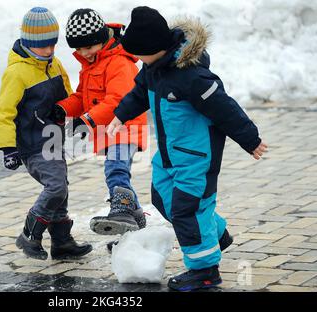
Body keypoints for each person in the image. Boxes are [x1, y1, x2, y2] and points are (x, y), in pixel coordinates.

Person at [107, 6, 268, 291]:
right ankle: (216, 233)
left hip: (196, 158)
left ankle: (205, 271)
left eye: (138, 53)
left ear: (153, 48)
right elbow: (139, 93)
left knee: (187, 210)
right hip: (169, 155)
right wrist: (120, 115)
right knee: (161, 197)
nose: (135, 59)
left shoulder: (191, 76)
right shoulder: (152, 68)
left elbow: (225, 108)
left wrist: (250, 139)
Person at [0, 7, 92, 260]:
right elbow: (5, 113)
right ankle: (29, 234)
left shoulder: (54, 64)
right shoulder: (16, 73)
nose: (49, 51)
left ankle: (61, 243)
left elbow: (69, 98)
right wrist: (8, 148)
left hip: (53, 139)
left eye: (52, 44)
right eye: (42, 46)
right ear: (28, 42)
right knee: (56, 188)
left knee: (62, 190)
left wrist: (76, 119)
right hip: (32, 144)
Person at [56, 9, 149, 240]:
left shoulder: (119, 62)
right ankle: (134, 223)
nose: (83, 53)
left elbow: (117, 100)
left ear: (101, 39)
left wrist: (87, 121)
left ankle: (122, 211)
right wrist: (63, 109)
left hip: (126, 126)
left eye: (88, 47)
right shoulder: (92, 64)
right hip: (109, 130)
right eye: (78, 49)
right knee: (117, 170)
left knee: (116, 169)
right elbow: (82, 96)